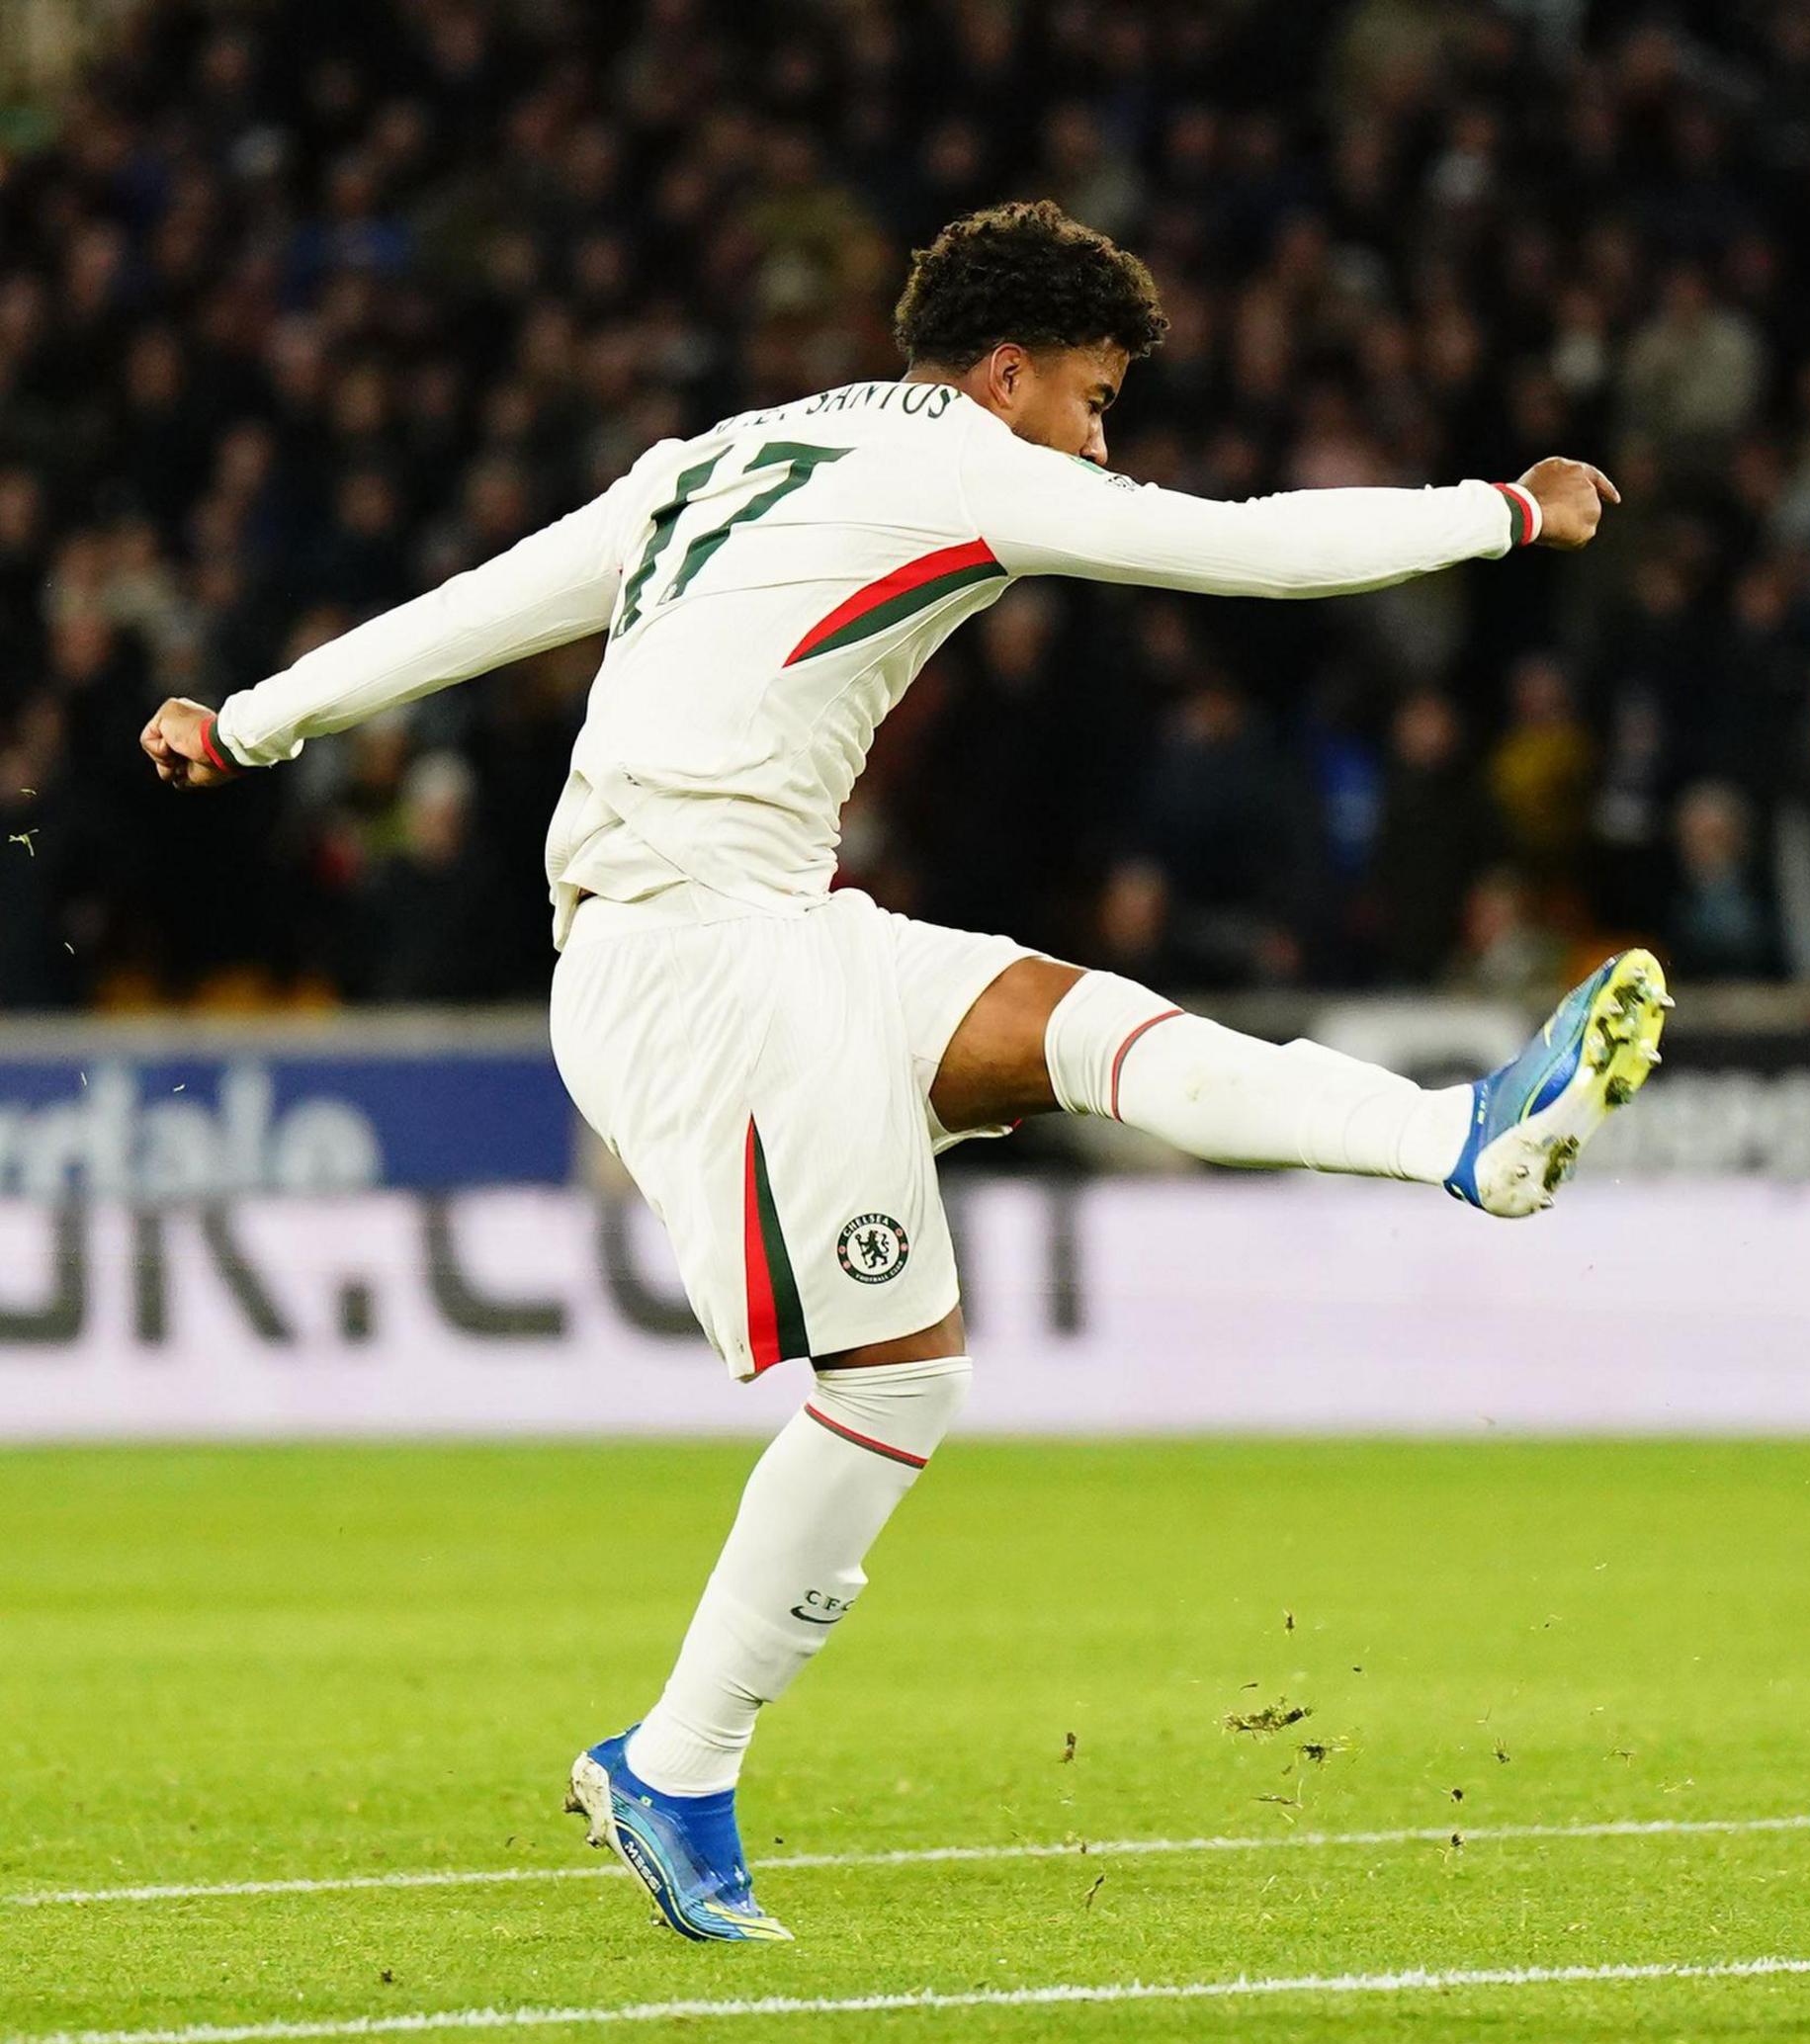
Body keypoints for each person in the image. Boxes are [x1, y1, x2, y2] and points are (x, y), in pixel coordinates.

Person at [137, 203, 1671, 1945]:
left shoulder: (727, 451)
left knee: (1076, 1026)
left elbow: (488, 602)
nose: (1102, 442)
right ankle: (677, 1764)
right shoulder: (968, 466)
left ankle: (1455, 1138)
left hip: (765, 925)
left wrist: (251, 717)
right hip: (694, 958)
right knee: (900, 1372)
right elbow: (1248, 550)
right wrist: (1504, 511)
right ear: (1004, 375)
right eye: (1092, 399)